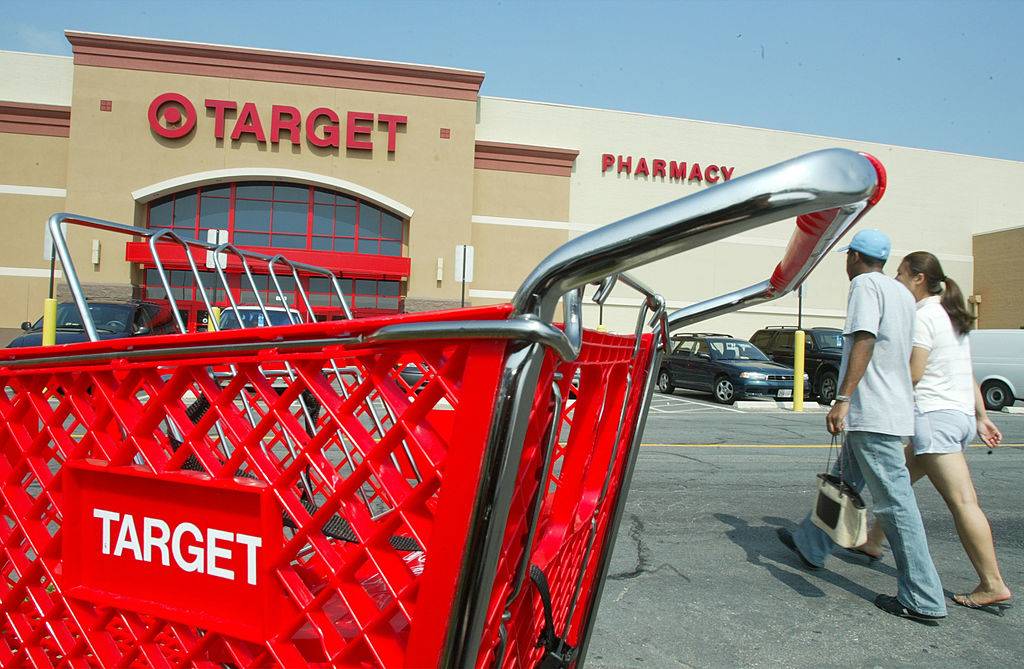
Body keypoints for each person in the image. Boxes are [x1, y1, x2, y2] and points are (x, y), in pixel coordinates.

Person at [776, 228, 948, 624]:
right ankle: (811, 544)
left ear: (854, 257)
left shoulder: (865, 287)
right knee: (844, 483)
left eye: (847, 255)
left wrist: (843, 398)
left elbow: (865, 340)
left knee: (896, 504)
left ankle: (923, 596)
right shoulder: (901, 293)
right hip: (889, 410)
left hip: (873, 412)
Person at [853, 251, 1012, 614]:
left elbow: (915, 372)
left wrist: (879, 393)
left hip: (934, 419)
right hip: (956, 418)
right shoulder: (951, 316)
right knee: (895, 485)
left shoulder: (923, 316)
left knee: (963, 502)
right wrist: (981, 416)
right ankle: (873, 541)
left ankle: (992, 583)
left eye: (900, 274)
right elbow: (965, 371)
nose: (897, 280)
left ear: (918, 278)